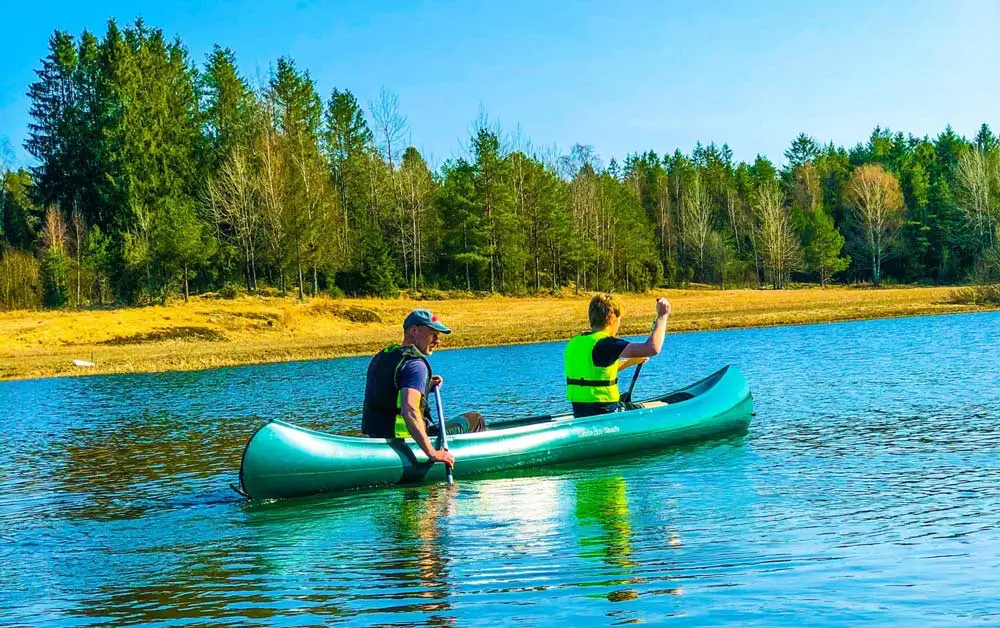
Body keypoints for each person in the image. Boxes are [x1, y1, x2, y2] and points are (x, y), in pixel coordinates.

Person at [362, 309, 485, 470]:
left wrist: (425, 387)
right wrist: (432, 453)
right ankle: (476, 463)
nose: (437, 341)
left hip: (377, 436)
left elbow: (392, 393)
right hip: (406, 439)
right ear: (414, 331)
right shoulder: (416, 365)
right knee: (475, 419)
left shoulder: (383, 356)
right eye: (433, 334)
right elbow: (410, 411)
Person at [564, 294, 671, 417]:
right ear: (611, 318)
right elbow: (652, 348)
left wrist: (632, 361)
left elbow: (600, 372)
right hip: (606, 412)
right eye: (619, 318)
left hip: (581, 412)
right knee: (662, 405)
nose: (619, 324)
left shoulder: (575, 343)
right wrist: (662, 316)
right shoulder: (606, 343)